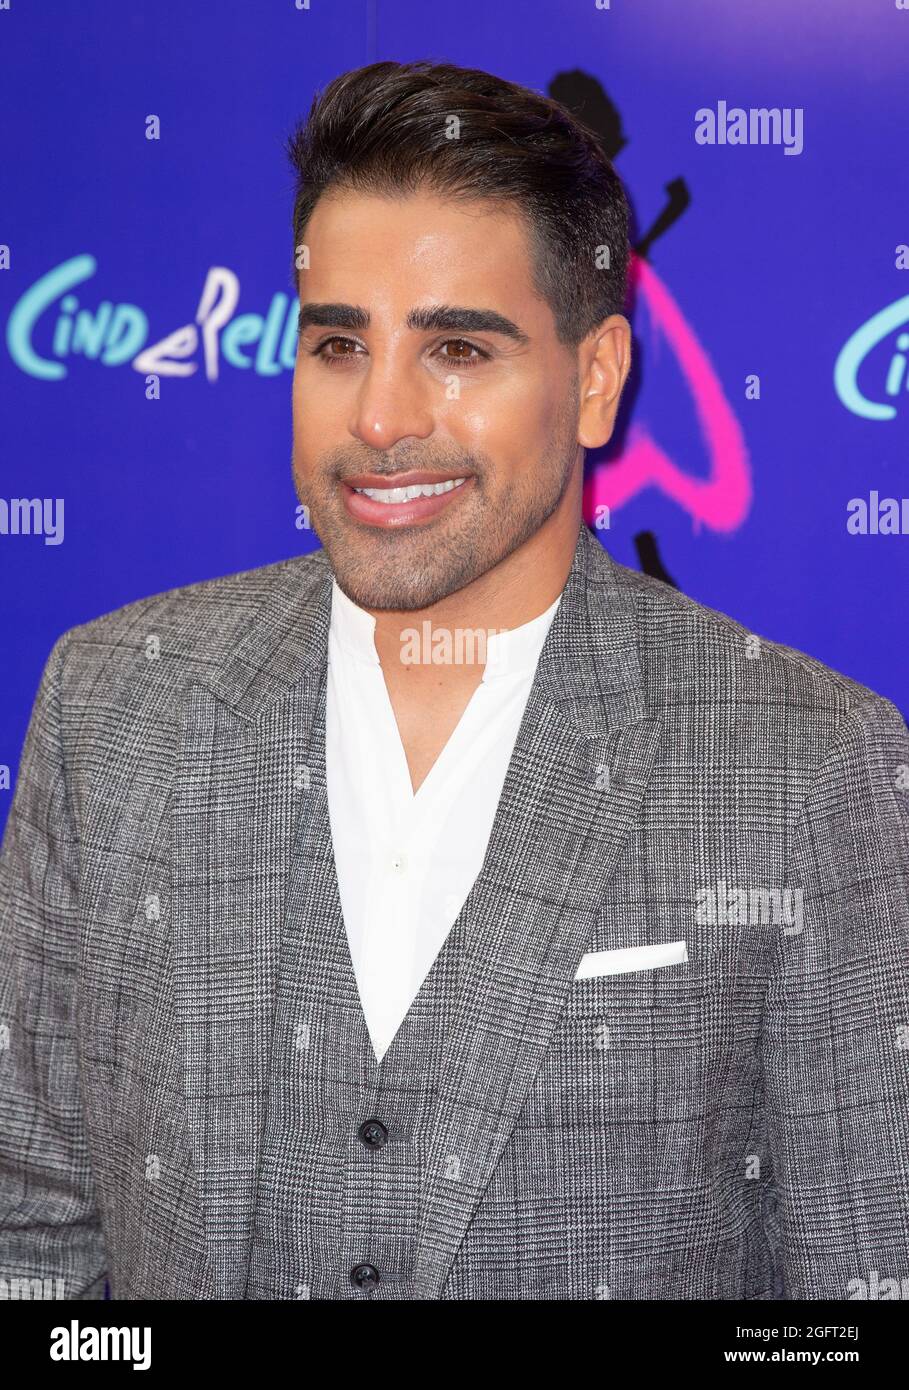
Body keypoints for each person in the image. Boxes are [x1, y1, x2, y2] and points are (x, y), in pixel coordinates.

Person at [1, 59, 908, 1302]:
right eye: (337, 344)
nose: (379, 417)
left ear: (594, 380)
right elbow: (30, 1242)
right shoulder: (112, 710)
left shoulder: (809, 763)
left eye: (458, 350)